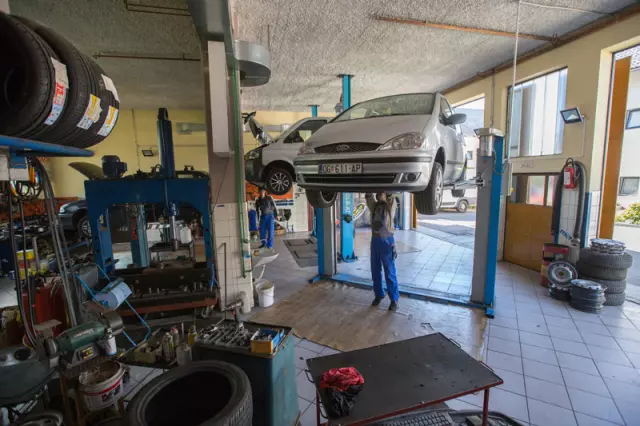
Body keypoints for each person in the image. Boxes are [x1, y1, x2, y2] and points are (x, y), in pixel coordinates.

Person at [365, 192, 399, 311]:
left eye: (382, 193)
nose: (380, 194)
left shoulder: (390, 206)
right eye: (378, 193)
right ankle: (379, 294)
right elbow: (369, 197)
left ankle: (394, 299)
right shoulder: (374, 206)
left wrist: (387, 190)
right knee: (375, 270)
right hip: (375, 241)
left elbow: (391, 198)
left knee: (389, 271)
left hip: (387, 242)